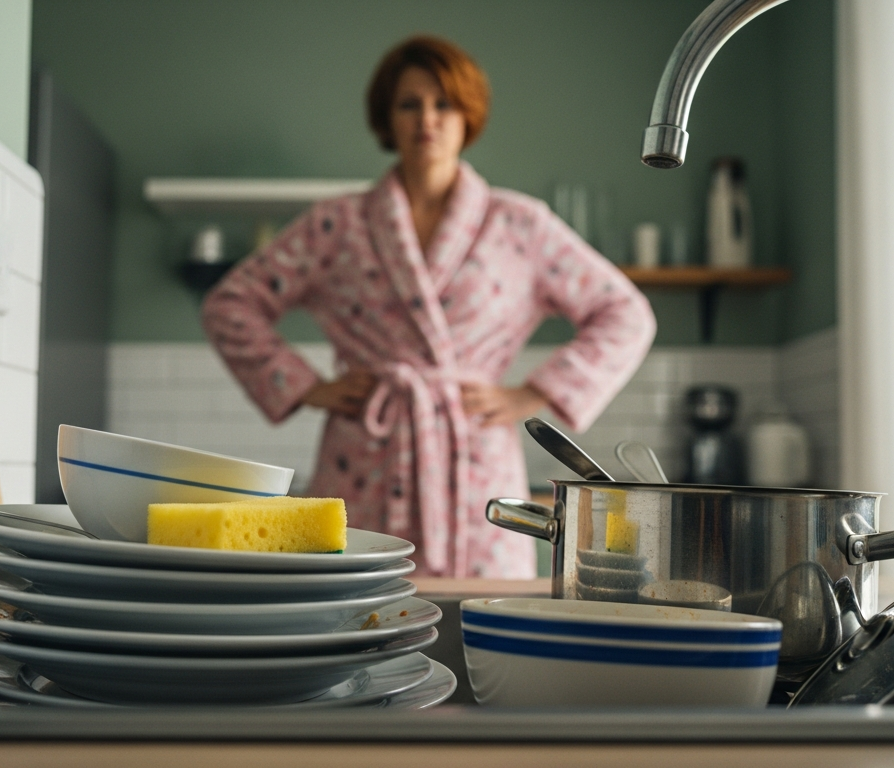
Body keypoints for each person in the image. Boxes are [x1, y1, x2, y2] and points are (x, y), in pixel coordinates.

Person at [202, 35, 655, 578]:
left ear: (469, 116)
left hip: (475, 458)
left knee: (483, 624)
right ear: (386, 118)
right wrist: (304, 385)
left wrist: (534, 392)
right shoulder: (336, 224)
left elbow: (625, 312)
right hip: (364, 455)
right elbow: (231, 304)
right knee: (352, 611)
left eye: (444, 103)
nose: (428, 120)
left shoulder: (519, 224)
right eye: (409, 104)